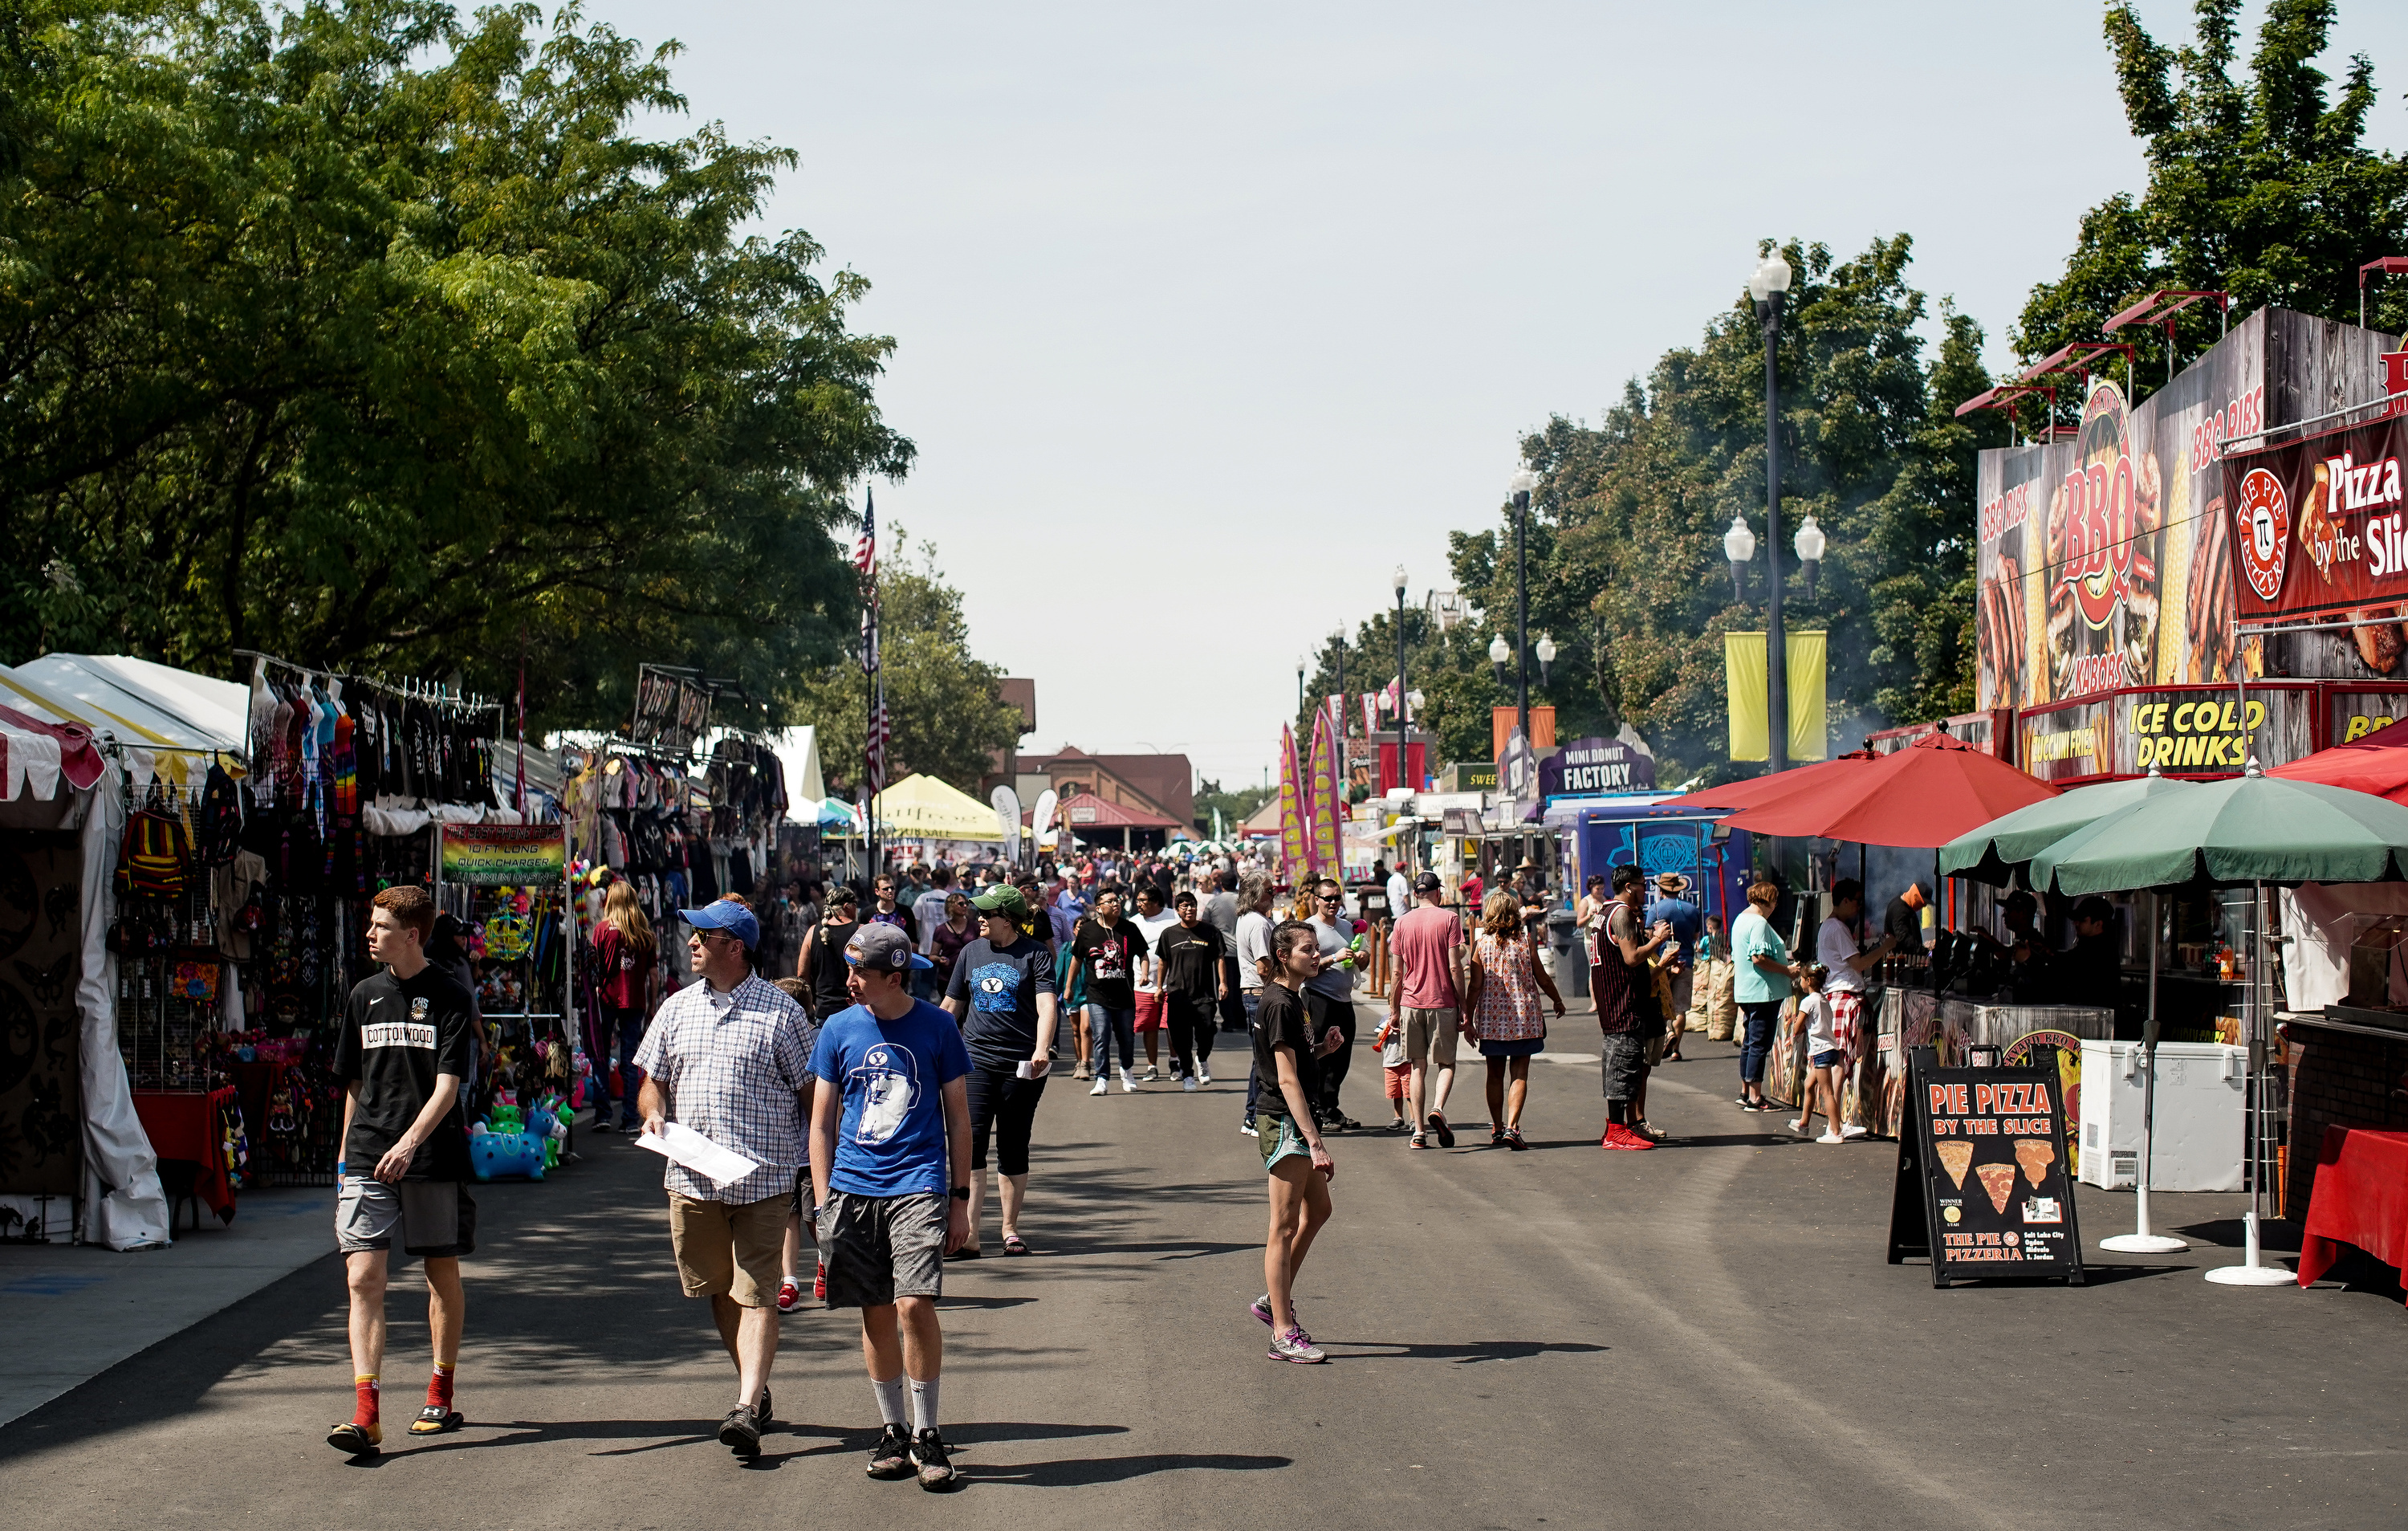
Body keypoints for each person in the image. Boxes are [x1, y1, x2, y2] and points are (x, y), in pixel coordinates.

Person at [634, 894, 812, 1460]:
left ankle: (744, 1405)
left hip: (764, 1181)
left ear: (734, 948)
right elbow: (652, 1081)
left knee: (757, 1291)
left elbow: (812, 1096)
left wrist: (819, 1167)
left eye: (703, 935)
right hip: (693, 1179)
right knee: (718, 1289)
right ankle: (752, 1387)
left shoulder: (783, 1014)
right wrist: (653, 1112)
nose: (691, 942)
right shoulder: (676, 1008)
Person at [807, 922, 972, 1490]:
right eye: (849, 969)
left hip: (917, 1184)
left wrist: (959, 1200)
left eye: (860, 972)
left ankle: (928, 1433)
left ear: (895, 978)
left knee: (913, 1304)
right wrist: (823, 1202)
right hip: (852, 1190)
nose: (850, 980)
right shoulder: (837, 1028)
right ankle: (893, 1430)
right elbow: (821, 1124)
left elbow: (958, 1118)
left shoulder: (938, 1026)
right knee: (874, 1310)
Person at [327, 885, 478, 1456]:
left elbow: (448, 1086)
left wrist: (411, 1142)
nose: (370, 934)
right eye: (371, 924)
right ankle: (366, 1415)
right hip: (369, 1153)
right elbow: (354, 1082)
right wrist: (345, 1158)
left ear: (412, 935)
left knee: (441, 1272)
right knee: (362, 1278)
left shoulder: (450, 996)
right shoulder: (363, 994)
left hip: (430, 1156)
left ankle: (440, 1391)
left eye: (381, 926)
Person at [941, 885, 1058, 1257]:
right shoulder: (970, 952)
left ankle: (1009, 1228)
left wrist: (1042, 1048)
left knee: (1013, 1144)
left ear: (1007, 919)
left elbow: (1047, 1006)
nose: (979, 918)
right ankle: (970, 1234)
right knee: (971, 1142)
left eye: (987, 913)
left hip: (1022, 1065)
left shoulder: (1035, 954)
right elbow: (951, 1005)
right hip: (974, 1060)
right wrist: (928, 1045)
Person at [1251, 919, 1344, 1363]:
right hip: (1285, 1122)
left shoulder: (1294, 997)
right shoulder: (1279, 1003)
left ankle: (1273, 1298)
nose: (1316, 955)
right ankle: (1283, 1332)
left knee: (1319, 1210)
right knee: (1283, 1226)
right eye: (1307, 949)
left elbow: (1292, 1061)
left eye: (1316, 948)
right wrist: (1316, 1143)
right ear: (1284, 956)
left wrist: (1322, 1049)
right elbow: (1285, 1080)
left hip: (1297, 1120)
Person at [1466, 890, 1561, 1149]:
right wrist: (1557, 999)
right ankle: (1512, 1126)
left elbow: (1475, 986)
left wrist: (1468, 1019)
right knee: (1519, 1074)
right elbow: (1542, 976)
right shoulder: (1525, 941)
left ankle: (1497, 1128)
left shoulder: (1481, 945)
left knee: (1494, 1074)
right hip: (1523, 1019)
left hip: (1491, 1020)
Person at [1594, 864, 1673, 1149]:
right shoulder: (1622, 913)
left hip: (1615, 1002)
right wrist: (1657, 940)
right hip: (1623, 1004)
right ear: (1629, 887)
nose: (1645, 890)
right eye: (1642, 884)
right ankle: (1616, 1131)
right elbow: (1631, 957)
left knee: (1621, 1066)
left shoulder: (1604, 912)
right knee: (1623, 1066)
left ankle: (1617, 1128)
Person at [1387, 871, 1466, 1150]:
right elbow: (1455, 966)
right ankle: (1438, 1108)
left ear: (1416, 894)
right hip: (1442, 1001)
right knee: (1446, 1063)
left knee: (1417, 1066)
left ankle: (1418, 1131)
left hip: (1410, 1002)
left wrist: (1394, 1008)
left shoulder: (1402, 923)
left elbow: (1396, 972)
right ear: (1438, 892)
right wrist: (1463, 1004)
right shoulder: (1449, 919)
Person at [1816, 877, 1893, 1134]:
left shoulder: (1829, 927)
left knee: (1839, 1060)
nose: (1860, 906)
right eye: (1858, 901)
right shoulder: (1837, 928)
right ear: (1846, 900)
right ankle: (1834, 1126)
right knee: (1840, 1061)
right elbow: (1859, 964)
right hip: (1843, 997)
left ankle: (1834, 1123)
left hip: (1838, 996)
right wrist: (1885, 947)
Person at [769, 976, 825, 1313]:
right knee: (788, 1216)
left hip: (809, 1150)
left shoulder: (817, 1040)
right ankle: (789, 1281)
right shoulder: (774, 1038)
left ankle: (827, 1259)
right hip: (780, 1150)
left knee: (814, 1216)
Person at [589, 880, 660, 1133]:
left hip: (607, 1000)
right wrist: (652, 1005)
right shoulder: (645, 933)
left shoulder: (601, 930)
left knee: (601, 1055)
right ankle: (630, 1118)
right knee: (630, 1059)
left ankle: (602, 1114)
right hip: (635, 1001)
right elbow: (654, 974)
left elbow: (594, 970)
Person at [1731, 880, 1800, 1112]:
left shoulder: (1741, 919)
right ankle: (1755, 1098)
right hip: (1762, 992)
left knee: (1750, 1042)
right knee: (1759, 1043)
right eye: (1775, 901)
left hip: (1746, 990)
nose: (1776, 906)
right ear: (1768, 900)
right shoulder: (1759, 922)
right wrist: (1787, 970)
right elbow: (1758, 958)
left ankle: (1745, 1092)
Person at [1070, 889, 1145, 1094]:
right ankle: (1102, 1078)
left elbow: (1143, 954)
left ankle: (1127, 1072)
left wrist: (1144, 974)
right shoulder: (1088, 931)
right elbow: (1077, 959)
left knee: (1126, 1037)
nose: (1115, 904)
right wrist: (1068, 987)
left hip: (1125, 996)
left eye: (1117, 900)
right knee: (1101, 1035)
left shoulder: (1129, 929)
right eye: (1110, 901)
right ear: (1098, 908)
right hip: (1097, 995)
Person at [1304, 877, 1365, 1130]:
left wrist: (1362, 956)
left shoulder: (1347, 927)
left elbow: (1364, 960)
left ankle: (1331, 1108)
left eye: (1336, 898)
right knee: (1320, 1056)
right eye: (1327, 898)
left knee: (1341, 1057)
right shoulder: (1309, 929)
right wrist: (1333, 958)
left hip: (1344, 1000)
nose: (1333, 903)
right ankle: (1319, 1111)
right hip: (1318, 999)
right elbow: (1304, 969)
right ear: (1316, 900)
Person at [1156, 890, 1229, 1089]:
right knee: (1181, 1038)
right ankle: (1187, 1074)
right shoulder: (1169, 934)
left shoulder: (1210, 931)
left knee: (1207, 1031)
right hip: (1178, 994)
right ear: (1177, 910)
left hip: (1204, 994)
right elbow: (1163, 962)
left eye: (1193, 905)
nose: (1189, 909)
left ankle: (1202, 1058)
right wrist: (1159, 987)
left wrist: (1223, 982)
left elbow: (1220, 958)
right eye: (1185, 906)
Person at [1234, 871, 1277, 1136]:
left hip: (1254, 993)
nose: (1273, 895)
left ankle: (1252, 1115)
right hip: (1261, 993)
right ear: (1254, 894)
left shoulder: (1249, 919)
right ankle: (1253, 1116)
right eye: (1269, 891)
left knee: (1261, 1058)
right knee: (1264, 1060)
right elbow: (1264, 967)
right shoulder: (1258, 923)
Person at [1787, 963, 1851, 1142]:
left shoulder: (1808, 1002)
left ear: (1808, 981)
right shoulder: (1824, 1000)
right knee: (1809, 1084)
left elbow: (1797, 1028)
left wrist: (1796, 1022)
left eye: (1801, 979)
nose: (1800, 983)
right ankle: (1804, 1123)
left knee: (1827, 1092)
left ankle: (1836, 1132)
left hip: (1821, 1051)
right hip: (1831, 1048)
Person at [1645, 872, 1702, 1064]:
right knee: (1680, 1008)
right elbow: (1695, 936)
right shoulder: (1692, 909)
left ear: (1661, 891)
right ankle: (1676, 1049)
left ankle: (1667, 1036)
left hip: (1663, 963)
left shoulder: (1656, 910)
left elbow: (1649, 935)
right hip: (1686, 961)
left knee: (1660, 1002)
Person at [1129, 885, 1181, 1080]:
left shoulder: (1174, 917)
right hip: (1143, 984)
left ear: (1156, 902)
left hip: (1172, 983)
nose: (1139, 904)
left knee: (1172, 1025)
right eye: (1138, 900)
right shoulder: (1134, 922)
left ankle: (1175, 1062)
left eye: (1143, 901)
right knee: (1148, 1026)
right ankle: (1152, 1065)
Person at [799, 885, 861, 1018]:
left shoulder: (812, 932)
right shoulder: (860, 932)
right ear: (847, 906)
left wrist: (812, 1001)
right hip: (853, 1008)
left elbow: (802, 974)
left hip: (823, 1008)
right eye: (855, 904)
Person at [912, 865, 958, 1000]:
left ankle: (924, 1008)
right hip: (948, 949)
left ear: (935, 881)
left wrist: (915, 939)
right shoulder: (952, 899)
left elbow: (915, 920)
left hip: (926, 947)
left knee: (924, 985)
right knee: (947, 988)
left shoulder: (923, 898)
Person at [1690, 913, 1737, 1042]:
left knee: (1706, 991)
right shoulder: (1724, 938)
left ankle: (1706, 1020)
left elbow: (1700, 950)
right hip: (1720, 966)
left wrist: (1697, 945)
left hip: (1708, 966)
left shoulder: (1706, 939)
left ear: (1710, 927)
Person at [1885, 880, 1930, 955]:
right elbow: (1902, 937)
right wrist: (1924, 951)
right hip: (1900, 957)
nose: (1922, 907)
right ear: (1915, 897)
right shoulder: (1900, 910)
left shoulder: (1904, 906)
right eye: (1922, 904)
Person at [866, 873, 913, 939]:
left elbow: (913, 940)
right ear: (877, 891)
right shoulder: (867, 914)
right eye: (885, 889)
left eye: (892, 888)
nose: (890, 891)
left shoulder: (906, 912)